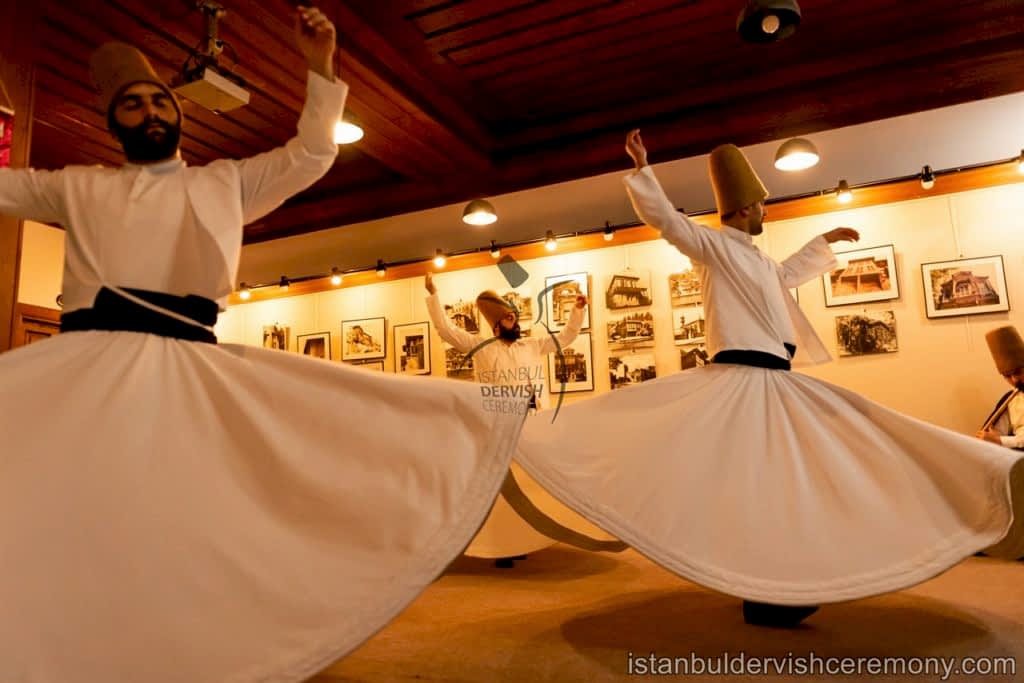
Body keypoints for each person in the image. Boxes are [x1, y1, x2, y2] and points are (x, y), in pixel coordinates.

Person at [0, 8, 528, 682]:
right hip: (92, 367)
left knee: (192, 514)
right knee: (83, 509)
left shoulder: (224, 181)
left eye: (160, 98)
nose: (150, 110)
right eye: (131, 104)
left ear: (179, 114)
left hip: (190, 368)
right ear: (113, 121)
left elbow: (312, 154)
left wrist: (319, 68)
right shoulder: (77, 186)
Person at [512, 129, 1024, 628]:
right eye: (760, 204)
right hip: (739, 381)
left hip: (775, 383)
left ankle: (779, 587)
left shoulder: (756, 258)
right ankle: (764, 593)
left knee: (808, 468)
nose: (765, 210)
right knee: (757, 487)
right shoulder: (713, 246)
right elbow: (668, 222)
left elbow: (782, 276)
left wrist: (822, 241)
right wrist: (645, 172)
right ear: (741, 209)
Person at [425, 272, 624, 566]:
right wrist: (433, 294)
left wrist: (578, 309)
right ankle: (502, 547)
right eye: (508, 319)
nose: (515, 323)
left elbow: (567, 337)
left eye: (515, 318)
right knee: (501, 492)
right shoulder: (480, 346)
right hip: (497, 430)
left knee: (531, 485)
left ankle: (526, 539)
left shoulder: (532, 346)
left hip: (531, 427)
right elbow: (445, 330)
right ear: (496, 324)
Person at [978, 325, 1024, 449]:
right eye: (1007, 376)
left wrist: (1001, 441)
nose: (1014, 380)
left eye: (1018, 372)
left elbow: (1001, 440)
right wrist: (991, 437)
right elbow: (996, 432)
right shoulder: (1009, 399)